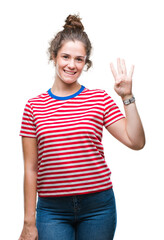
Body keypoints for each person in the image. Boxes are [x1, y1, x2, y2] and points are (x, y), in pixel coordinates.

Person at [18, 14, 145, 240]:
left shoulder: (99, 99)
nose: (71, 65)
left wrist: (127, 96)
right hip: (52, 211)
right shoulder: (33, 107)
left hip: (98, 208)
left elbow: (136, 142)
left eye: (79, 59)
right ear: (53, 56)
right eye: (65, 56)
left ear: (86, 63)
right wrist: (29, 222)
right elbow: (31, 169)